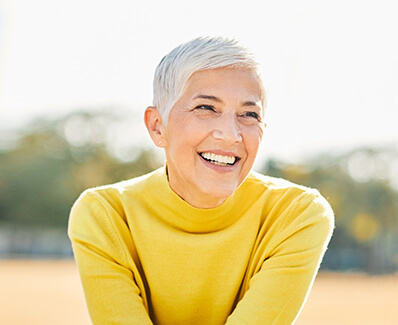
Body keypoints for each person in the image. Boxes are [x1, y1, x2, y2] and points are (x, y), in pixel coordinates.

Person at [68, 36, 334, 325]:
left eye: (249, 114)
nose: (231, 134)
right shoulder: (106, 215)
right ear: (158, 126)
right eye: (206, 108)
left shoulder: (296, 214)